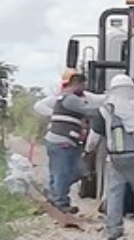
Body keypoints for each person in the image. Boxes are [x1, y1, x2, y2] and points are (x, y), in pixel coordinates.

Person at [84, 74, 134, 240]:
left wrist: (88, 151)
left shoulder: (106, 110)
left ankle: (114, 229)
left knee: (114, 192)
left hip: (116, 160)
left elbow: (93, 139)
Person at [34, 69, 103, 213]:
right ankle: (61, 203)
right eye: (83, 85)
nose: (84, 88)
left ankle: (55, 195)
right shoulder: (70, 99)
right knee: (62, 172)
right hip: (62, 142)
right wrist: (108, 108)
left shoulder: (67, 98)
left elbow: (95, 100)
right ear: (77, 84)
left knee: (73, 171)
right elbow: (90, 110)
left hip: (67, 141)